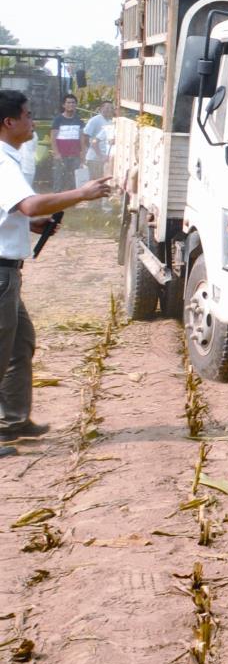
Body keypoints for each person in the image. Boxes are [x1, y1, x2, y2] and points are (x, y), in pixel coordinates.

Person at [0, 91, 114, 454]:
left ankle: (13, 420)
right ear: (9, 122)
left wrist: (28, 224)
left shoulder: (8, 159)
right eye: (28, 115)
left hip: (7, 273)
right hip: (1, 274)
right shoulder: (3, 163)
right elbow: (29, 202)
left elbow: (20, 210)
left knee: (20, 345)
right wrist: (82, 193)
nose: (33, 122)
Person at [50, 94, 86, 190]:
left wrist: (83, 152)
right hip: (61, 156)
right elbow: (53, 138)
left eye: (73, 102)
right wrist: (56, 153)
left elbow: (82, 138)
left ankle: (72, 200)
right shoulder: (58, 120)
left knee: (74, 179)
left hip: (75, 155)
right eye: (68, 102)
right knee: (59, 178)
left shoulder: (79, 120)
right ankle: (57, 199)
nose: (71, 104)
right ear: (64, 105)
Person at [83, 103, 113, 189]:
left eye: (110, 108)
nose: (108, 110)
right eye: (106, 108)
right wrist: (93, 151)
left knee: (101, 183)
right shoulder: (95, 120)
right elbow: (86, 135)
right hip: (94, 158)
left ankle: (98, 202)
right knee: (94, 183)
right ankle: (92, 202)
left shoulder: (110, 122)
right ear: (100, 108)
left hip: (105, 158)